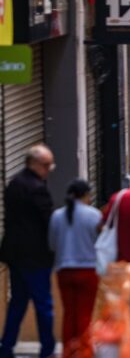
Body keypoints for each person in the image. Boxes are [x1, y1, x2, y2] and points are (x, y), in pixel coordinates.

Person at [0, 144, 56, 358]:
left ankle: (6, 347)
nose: (48, 170)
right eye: (46, 165)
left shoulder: (14, 183)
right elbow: (47, 220)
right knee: (44, 304)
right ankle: (47, 349)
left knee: (18, 302)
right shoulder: (37, 188)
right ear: (34, 164)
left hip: (15, 255)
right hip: (35, 256)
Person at [48, 179, 101, 358]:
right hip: (88, 270)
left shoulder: (57, 216)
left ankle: (68, 351)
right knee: (84, 313)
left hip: (64, 270)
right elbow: (100, 242)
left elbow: (52, 244)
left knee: (69, 313)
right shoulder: (94, 215)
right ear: (86, 195)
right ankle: (83, 351)